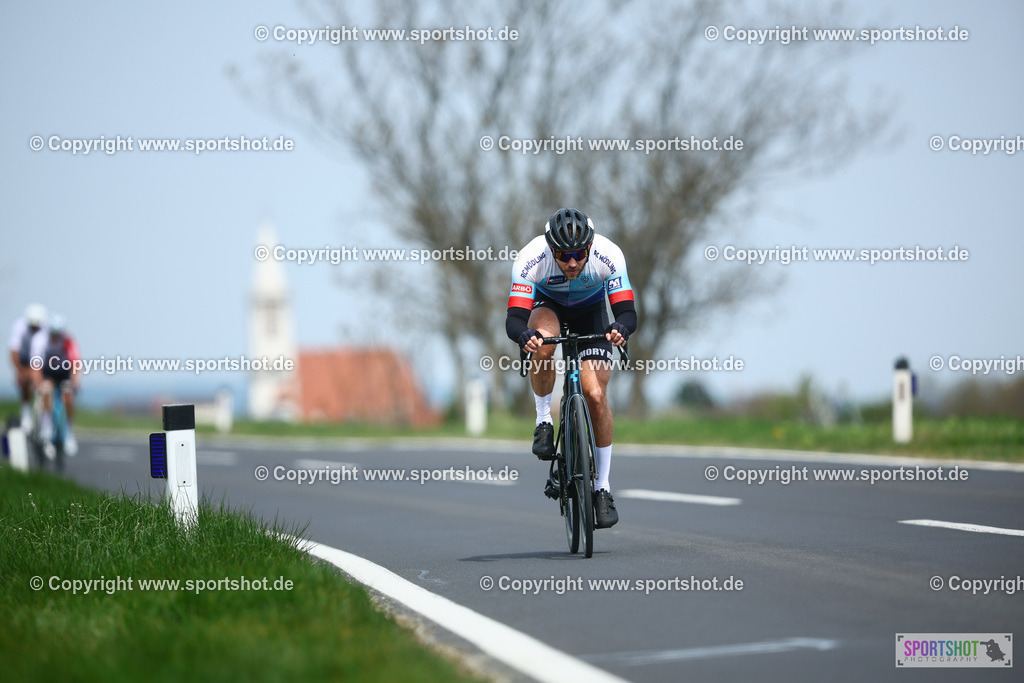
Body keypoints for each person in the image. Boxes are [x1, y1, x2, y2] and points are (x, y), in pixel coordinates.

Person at [505, 208, 637, 528]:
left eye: (579, 254)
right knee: (544, 341)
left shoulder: (609, 255)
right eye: (564, 255)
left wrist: (620, 327)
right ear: (551, 250)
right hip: (547, 306)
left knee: (594, 394)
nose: (573, 262)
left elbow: (627, 312)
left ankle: (602, 488)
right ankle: (543, 421)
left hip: (591, 310)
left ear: (590, 248)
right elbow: (514, 319)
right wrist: (525, 335)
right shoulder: (530, 258)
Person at [32, 313, 81, 457]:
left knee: (68, 396)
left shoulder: (68, 341)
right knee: (46, 391)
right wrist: (38, 383)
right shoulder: (41, 340)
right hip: (47, 374)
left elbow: (75, 363)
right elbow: (36, 364)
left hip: (63, 374)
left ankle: (69, 433)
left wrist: (74, 382)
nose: (55, 336)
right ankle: (46, 428)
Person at [8, 303, 48, 431]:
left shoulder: (45, 330)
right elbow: (14, 351)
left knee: (41, 383)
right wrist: (20, 371)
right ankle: (26, 410)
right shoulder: (19, 326)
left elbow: (38, 354)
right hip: (24, 357)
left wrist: (36, 373)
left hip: (40, 357)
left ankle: (44, 417)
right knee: (24, 381)